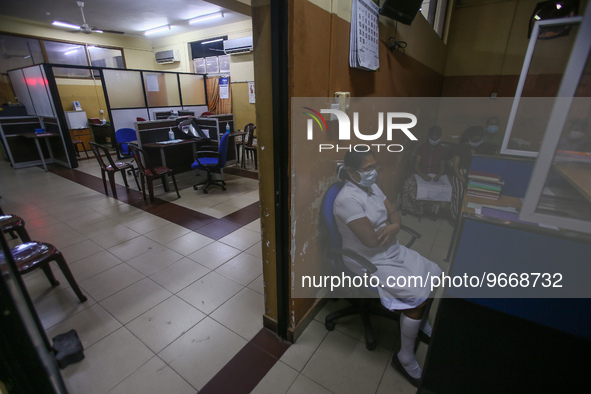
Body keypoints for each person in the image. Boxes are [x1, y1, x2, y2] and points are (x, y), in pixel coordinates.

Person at [333, 150, 442, 386]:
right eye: (367, 169)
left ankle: (422, 323)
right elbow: (371, 241)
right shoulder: (347, 200)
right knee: (417, 296)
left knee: (434, 273)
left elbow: (395, 215)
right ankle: (405, 357)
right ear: (351, 173)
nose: (374, 173)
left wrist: (393, 227)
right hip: (369, 260)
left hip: (390, 249)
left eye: (375, 166)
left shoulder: (372, 187)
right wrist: (392, 227)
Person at [401, 126, 452, 217]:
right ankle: (409, 208)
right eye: (433, 137)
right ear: (429, 136)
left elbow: (442, 166)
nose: (434, 139)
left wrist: (438, 175)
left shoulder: (442, 150)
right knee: (408, 184)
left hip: (435, 175)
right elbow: (416, 165)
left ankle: (433, 212)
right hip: (421, 173)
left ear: (440, 137)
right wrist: (422, 175)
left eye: (437, 137)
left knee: (439, 188)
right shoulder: (422, 148)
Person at [450, 126, 495, 220]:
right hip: (460, 174)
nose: (476, 142)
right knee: (460, 194)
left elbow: (488, 165)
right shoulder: (461, 147)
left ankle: (471, 218)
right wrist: (463, 179)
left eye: (479, 139)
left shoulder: (485, 148)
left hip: (476, 175)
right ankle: (456, 218)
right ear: (469, 138)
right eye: (474, 140)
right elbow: (455, 167)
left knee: (478, 196)